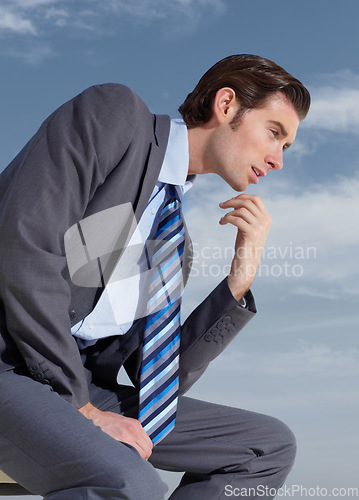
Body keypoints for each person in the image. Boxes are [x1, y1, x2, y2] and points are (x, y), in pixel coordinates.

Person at [0, 54, 310, 499]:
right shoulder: (116, 118)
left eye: (286, 146)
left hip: (77, 386)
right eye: (274, 133)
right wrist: (82, 406)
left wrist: (239, 279)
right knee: (131, 485)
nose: (278, 160)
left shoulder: (174, 248)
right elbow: (24, 247)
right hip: (12, 366)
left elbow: (159, 381)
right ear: (226, 105)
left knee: (266, 447)